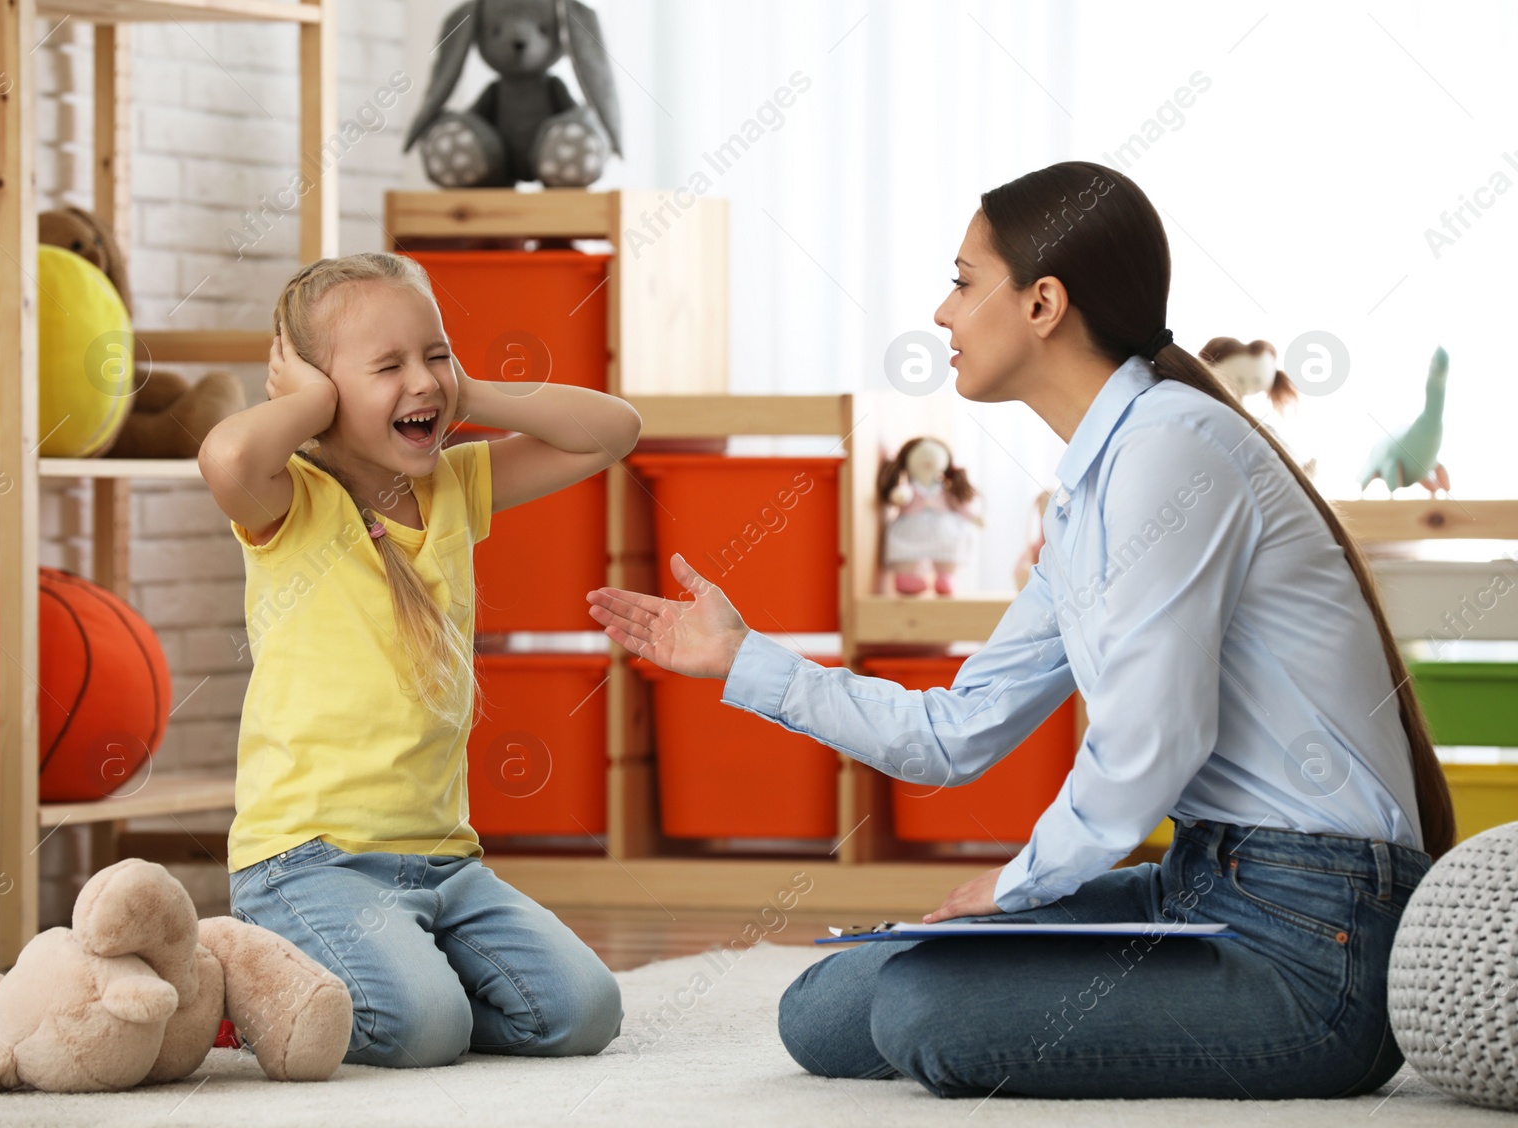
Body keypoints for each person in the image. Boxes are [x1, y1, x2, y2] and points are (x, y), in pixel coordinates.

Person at [584, 161, 1455, 1099]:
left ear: (1043, 303)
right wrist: (742, 659)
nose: (942, 313)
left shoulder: (1172, 449)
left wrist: (1015, 885)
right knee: (827, 1009)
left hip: (1316, 942)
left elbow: (1152, 742)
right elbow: (956, 732)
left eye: (963, 280)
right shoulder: (1089, 493)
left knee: (925, 1013)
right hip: (1203, 884)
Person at [200, 251, 638, 1069]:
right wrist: (316, 402)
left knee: (583, 1012)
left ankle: (386, 984)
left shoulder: (453, 485)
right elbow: (226, 458)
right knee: (424, 1029)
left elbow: (614, 431)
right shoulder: (290, 503)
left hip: (445, 862)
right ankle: (252, 987)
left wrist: (472, 391)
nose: (424, 382)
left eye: (435, 353)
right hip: (309, 861)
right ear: (317, 391)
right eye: (388, 366)